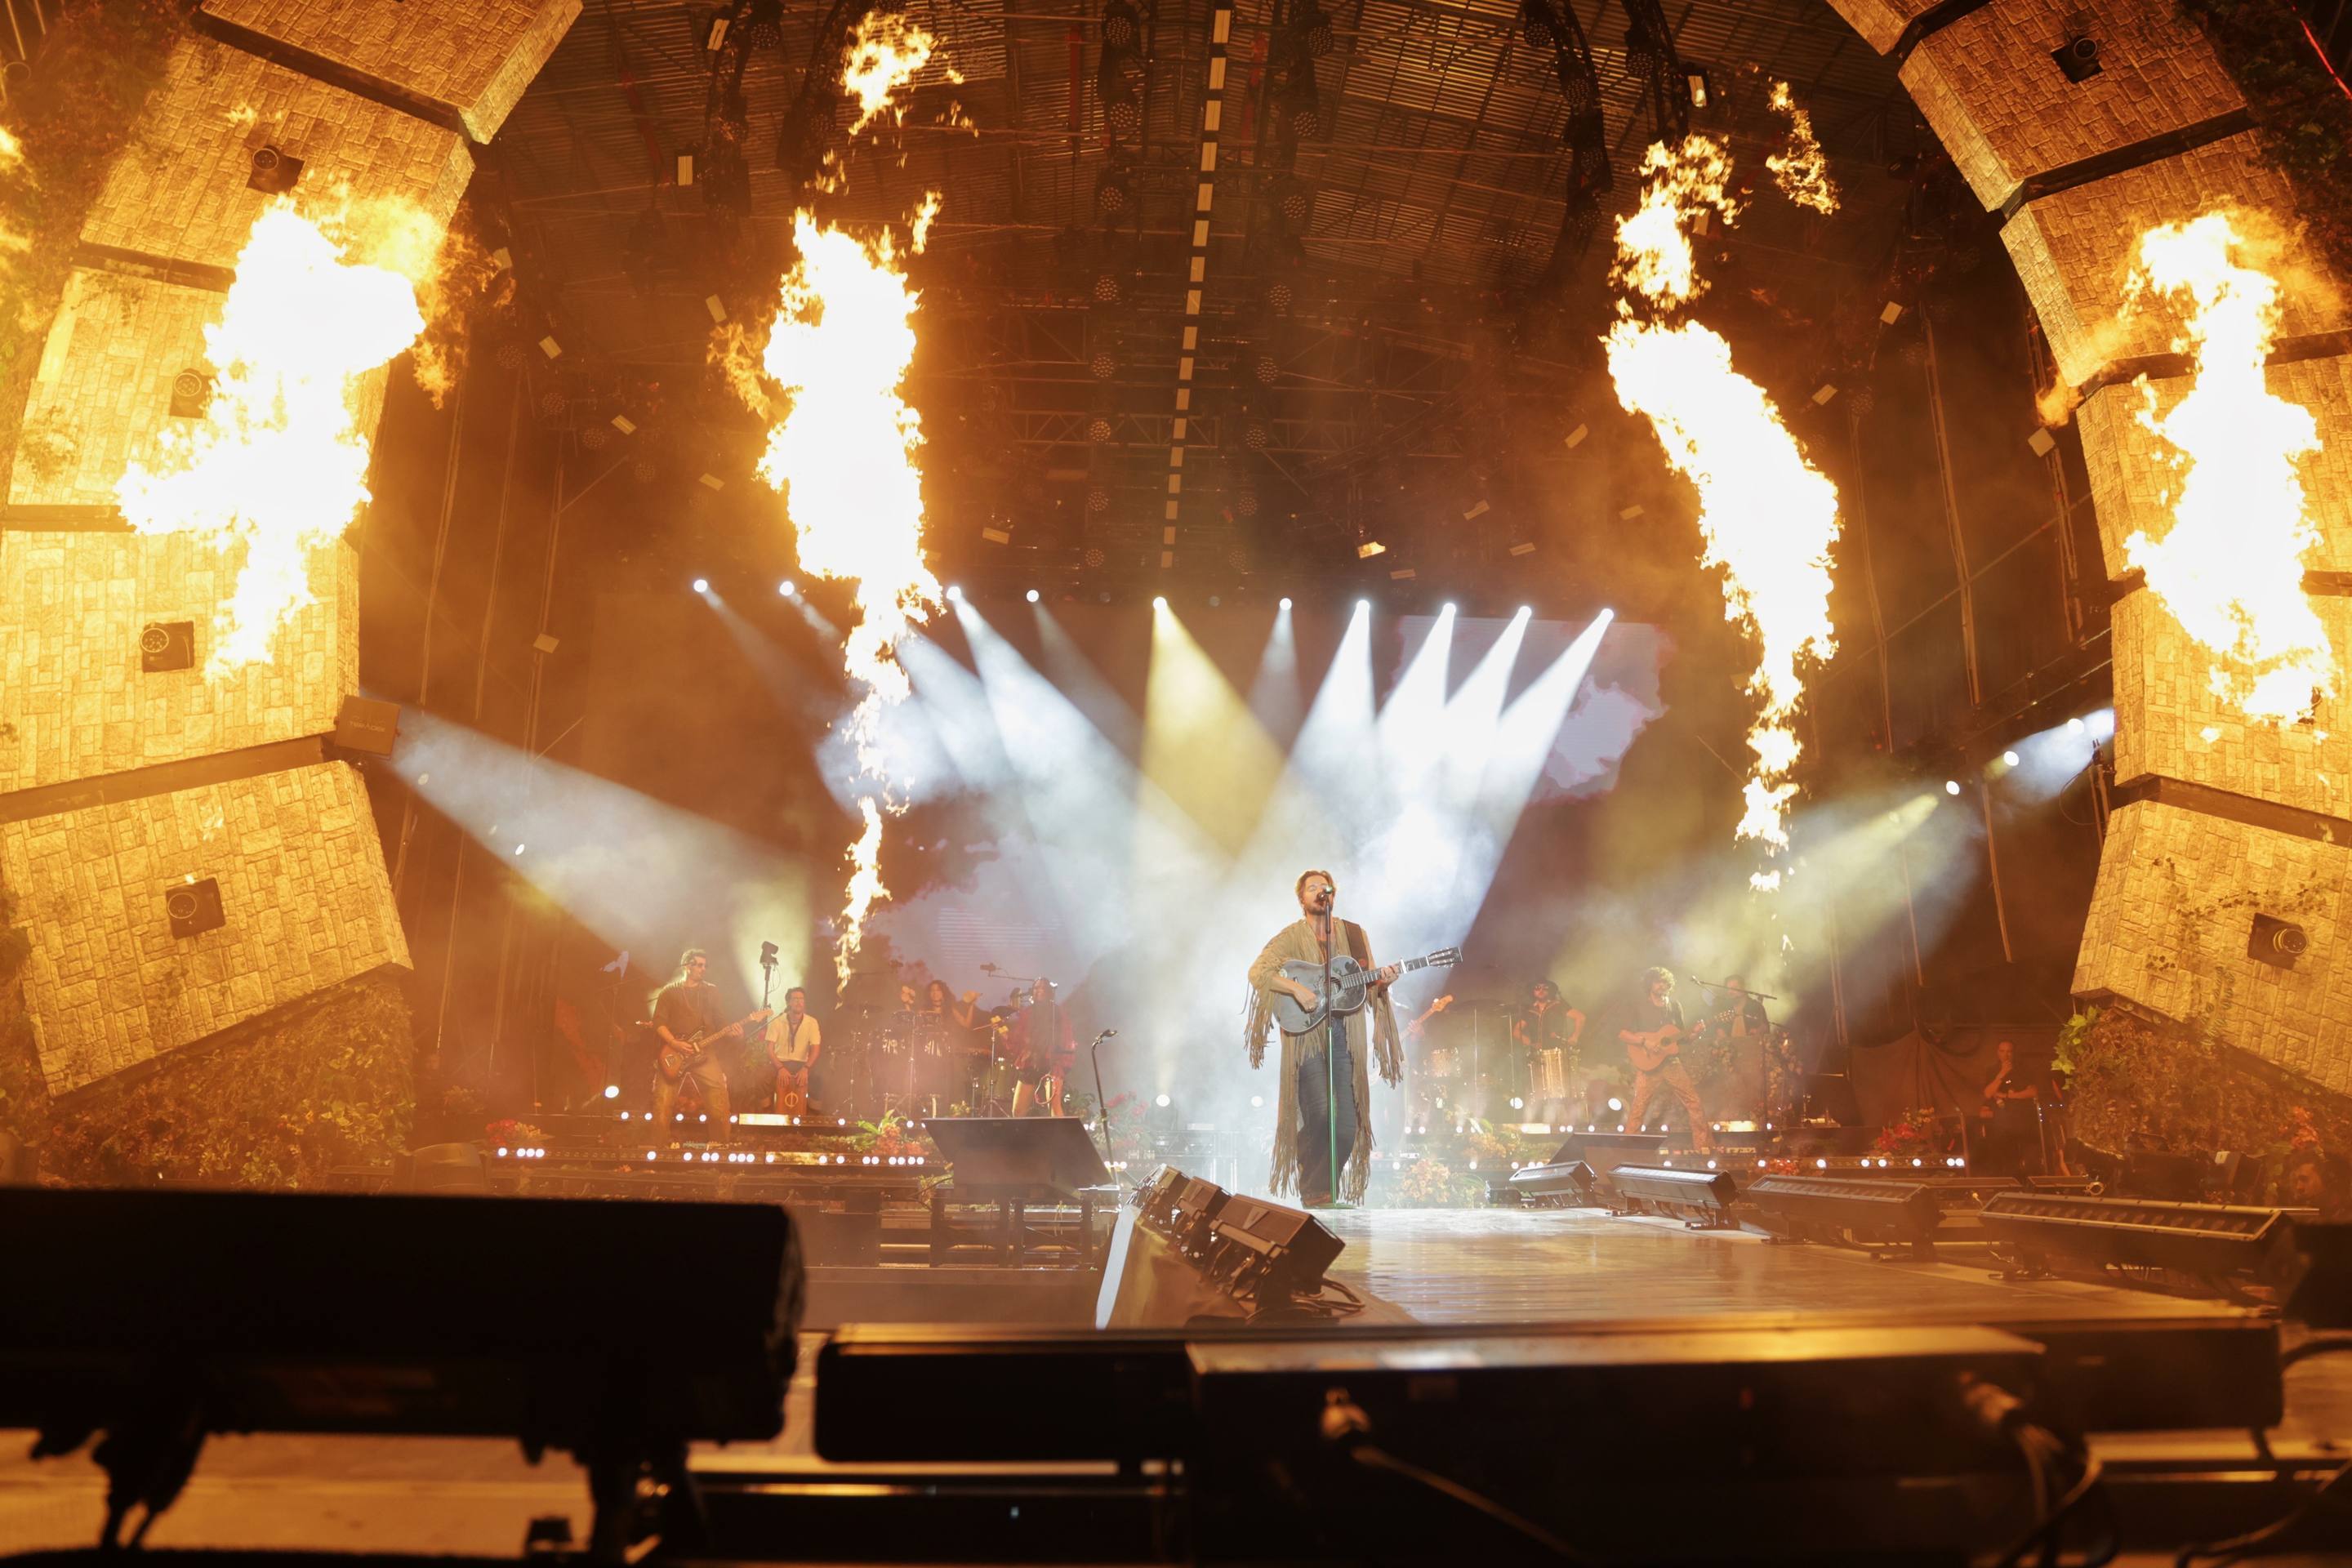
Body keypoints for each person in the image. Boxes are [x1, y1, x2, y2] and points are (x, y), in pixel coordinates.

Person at [1245, 869, 1404, 1207]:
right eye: (1312, 888)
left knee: (1346, 1124)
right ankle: (1317, 1192)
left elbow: (1367, 982)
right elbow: (1259, 972)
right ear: (1301, 899)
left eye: (1325, 887)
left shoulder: (1355, 935)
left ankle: (1324, 1189)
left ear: (1334, 895)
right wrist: (1297, 989)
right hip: (1308, 1036)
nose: (1321, 891)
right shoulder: (1290, 937)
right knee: (1318, 1115)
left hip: (1346, 1034)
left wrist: (1383, 982)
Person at [650, 949, 764, 1134]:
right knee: (661, 1104)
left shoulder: (711, 991)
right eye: (699, 965)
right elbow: (659, 1023)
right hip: (673, 1052)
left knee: (719, 1101)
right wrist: (674, 1043)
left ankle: (720, 1147)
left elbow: (720, 1022)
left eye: (705, 965)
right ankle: (658, 1149)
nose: (704, 969)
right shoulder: (669, 992)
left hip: (704, 1052)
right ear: (687, 966)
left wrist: (735, 1032)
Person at [1619, 966, 1710, 1150]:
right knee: (1638, 1108)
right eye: (1658, 981)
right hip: (1648, 1066)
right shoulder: (1639, 1006)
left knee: (1694, 1102)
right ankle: (1629, 1149)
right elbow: (1623, 1034)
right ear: (1650, 984)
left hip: (1671, 1063)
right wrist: (1644, 1042)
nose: (1662, 985)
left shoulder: (1674, 1006)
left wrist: (1696, 1033)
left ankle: (1703, 1147)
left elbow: (1682, 1039)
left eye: (1665, 982)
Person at [1513, 980, 1584, 1122]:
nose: (1541, 991)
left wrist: (1574, 1037)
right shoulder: (1529, 1011)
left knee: (1563, 1091)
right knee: (1539, 1092)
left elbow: (1580, 1017)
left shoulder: (1558, 1006)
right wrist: (1531, 1044)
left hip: (1558, 1052)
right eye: (1537, 988)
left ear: (1550, 991)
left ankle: (1568, 1123)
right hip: (1538, 1056)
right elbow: (1516, 1031)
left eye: (1545, 988)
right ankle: (1539, 1122)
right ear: (1533, 992)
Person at [1010, 976, 1076, 1114]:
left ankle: (1061, 1135)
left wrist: (1062, 1063)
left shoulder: (1057, 1012)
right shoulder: (1027, 1012)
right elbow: (1018, 1036)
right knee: (1017, 1110)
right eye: (1036, 988)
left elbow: (1066, 1037)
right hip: (1031, 1063)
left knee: (1054, 1106)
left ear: (1049, 992)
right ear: (1032, 991)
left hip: (1052, 1063)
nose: (1039, 990)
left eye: (1043, 988)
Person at [765, 986, 822, 1113]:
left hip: (802, 1063)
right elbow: (769, 1049)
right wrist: (780, 1068)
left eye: (801, 999)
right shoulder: (777, 1021)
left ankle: (813, 1117)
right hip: (780, 1063)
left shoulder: (812, 1022)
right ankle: (766, 1114)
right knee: (762, 1078)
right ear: (788, 1002)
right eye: (795, 999)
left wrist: (806, 1069)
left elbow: (816, 1049)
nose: (799, 1002)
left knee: (819, 1078)